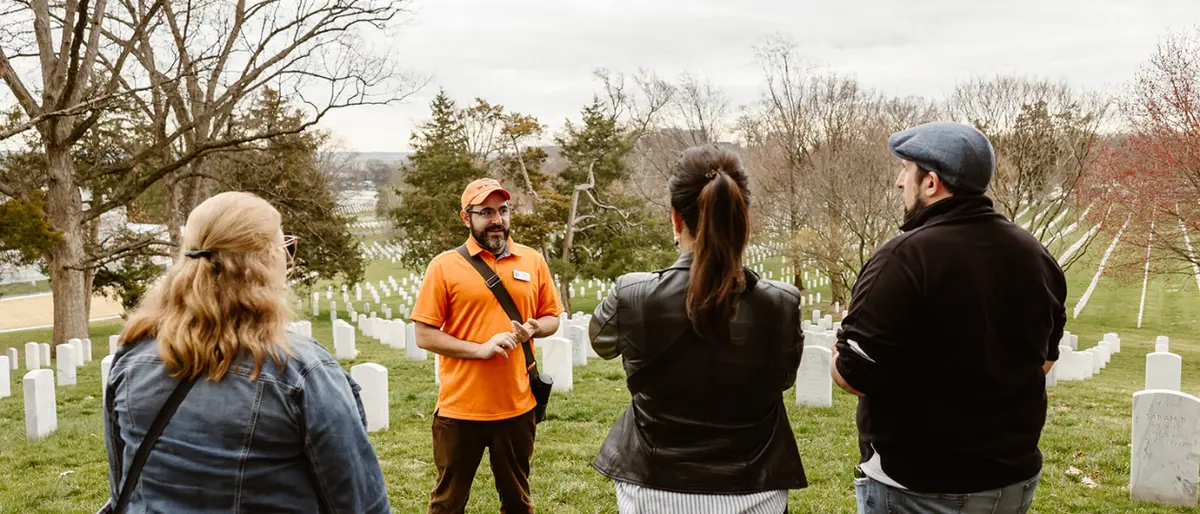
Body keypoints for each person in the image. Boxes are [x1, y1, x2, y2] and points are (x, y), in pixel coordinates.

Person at [832, 122, 1066, 514]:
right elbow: (1044, 360)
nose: (898, 182)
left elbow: (854, 375)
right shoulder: (1036, 255)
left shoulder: (904, 257)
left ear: (931, 183)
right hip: (1012, 482)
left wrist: (837, 358)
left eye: (905, 170)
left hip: (919, 488)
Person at [104, 191, 390, 513]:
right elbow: (360, 503)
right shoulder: (300, 370)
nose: (289, 259)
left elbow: (123, 486)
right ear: (265, 261)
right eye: (286, 248)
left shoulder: (132, 358)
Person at [589, 145, 807, 513]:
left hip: (654, 490)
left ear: (676, 218)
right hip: (753, 490)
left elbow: (601, 343)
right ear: (743, 216)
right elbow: (783, 378)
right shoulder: (781, 303)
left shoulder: (633, 294)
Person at [411, 178, 564, 514]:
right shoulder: (443, 266)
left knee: (517, 502)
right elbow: (424, 334)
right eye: (486, 212)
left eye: (503, 210)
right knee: (447, 504)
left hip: (517, 407)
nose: (497, 219)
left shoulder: (532, 260)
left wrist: (534, 328)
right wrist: (478, 349)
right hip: (459, 410)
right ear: (466, 217)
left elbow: (552, 318)